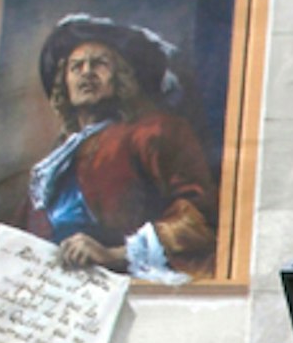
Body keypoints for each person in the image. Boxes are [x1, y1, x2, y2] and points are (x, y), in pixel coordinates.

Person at [15, 15, 215, 281]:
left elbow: (198, 218)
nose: (87, 72)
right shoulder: (57, 158)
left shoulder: (154, 132)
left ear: (121, 77)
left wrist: (115, 254)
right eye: (76, 67)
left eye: (99, 64)